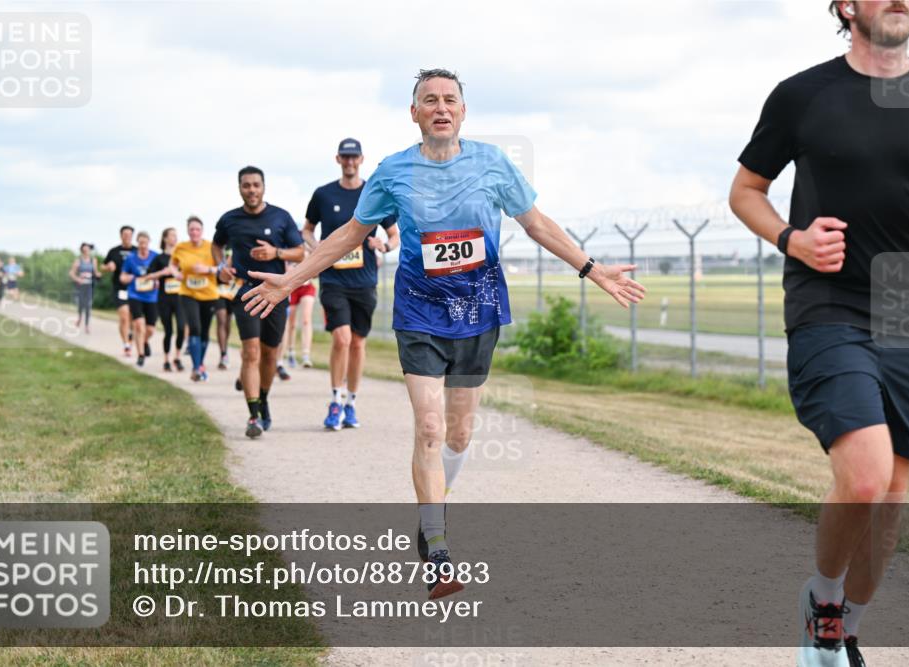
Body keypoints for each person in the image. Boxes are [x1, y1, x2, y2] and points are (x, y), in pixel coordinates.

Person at [243, 69, 644, 598]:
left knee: (458, 435)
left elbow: (538, 225)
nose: (440, 107)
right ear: (414, 113)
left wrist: (593, 270)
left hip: (478, 314)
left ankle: (432, 508)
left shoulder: (492, 164)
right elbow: (348, 235)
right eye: (428, 100)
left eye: (449, 99)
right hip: (419, 315)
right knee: (430, 429)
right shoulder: (392, 172)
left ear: (462, 111)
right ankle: (437, 548)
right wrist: (292, 279)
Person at [729, 3, 909, 665]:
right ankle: (822, 599)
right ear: (847, 5)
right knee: (869, 476)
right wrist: (792, 238)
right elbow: (745, 191)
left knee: (894, 496)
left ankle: (845, 627)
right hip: (829, 297)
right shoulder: (803, 95)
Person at [303, 138, 400, 430]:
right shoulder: (323, 195)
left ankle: (352, 403)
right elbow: (306, 230)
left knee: (358, 343)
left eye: (353, 157)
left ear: (361, 159)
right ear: (337, 159)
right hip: (333, 279)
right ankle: (335, 400)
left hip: (365, 281)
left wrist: (383, 245)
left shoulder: (375, 193)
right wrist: (318, 246)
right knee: (341, 338)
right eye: (344, 157)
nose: (349, 162)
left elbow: (394, 236)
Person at [213, 166, 305, 438]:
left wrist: (275, 252)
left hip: (275, 292)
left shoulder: (281, 217)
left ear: (263, 187)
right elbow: (216, 245)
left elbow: (300, 253)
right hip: (245, 292)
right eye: (246, 185)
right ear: (239, 188)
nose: (251, 190)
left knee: (269, 354)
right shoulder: (230, 219)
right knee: (250, 352)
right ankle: (253, 415)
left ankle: (263, 398)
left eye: (255, 185)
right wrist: (221, 266)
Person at [173, 216, 220, 381]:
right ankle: (196, 367)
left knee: (205, 331)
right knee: (195, 328)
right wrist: (175, 273)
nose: (194, 232)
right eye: (191, 229)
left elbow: (223, 268)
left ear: (202, 231)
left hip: (209, 294)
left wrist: (207, 269)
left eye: (197, 229)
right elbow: (172, 265)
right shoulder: (180, 247)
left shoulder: (212, 247)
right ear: (187, 231)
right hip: (188, 293)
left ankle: (199, 365)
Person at [120, 231, 167, 367]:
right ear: (137, 243)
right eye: (140, 243)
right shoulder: (131, 258)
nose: (143, 245)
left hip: (152, 296)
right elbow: (122, 276)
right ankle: (141, 354)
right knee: (139, 325)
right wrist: (127, 278)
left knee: (151, 329)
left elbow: (163, 274)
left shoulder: (155, 257)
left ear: (149, 242)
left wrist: (158, 280)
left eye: (145, 243)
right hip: (135, 295)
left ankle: (145, 341)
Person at [153, 228, 185, 372]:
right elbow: (148, 276)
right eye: (172, 235)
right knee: (169, 331)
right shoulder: (159, 258)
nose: (175, 238)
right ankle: (166, 360)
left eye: (176, 235)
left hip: (180, 298)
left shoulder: (182, 257)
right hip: (164, 299)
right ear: (165, 238)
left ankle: (177, 358)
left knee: (181, 328)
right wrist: (162, 272)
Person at [103, 226, 136, 356]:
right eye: (125, 234)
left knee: (133, 318)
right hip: (119, 288)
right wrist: (108, 267)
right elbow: (103, 266)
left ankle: (131, 335)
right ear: (121, 235)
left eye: (129, 234)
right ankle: (126, 345)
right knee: (124, 316)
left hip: (135, 289)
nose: (127, 236)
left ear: (132, 236)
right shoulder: (114, 251)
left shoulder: (136, 251)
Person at [285, 268, 316, 369]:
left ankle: (306, 355)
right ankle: (291, 352)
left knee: (306, 320)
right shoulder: (286, 251)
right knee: (291, 323)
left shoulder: (309, 251)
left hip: (307, 287)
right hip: (291, 287)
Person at [215, 247, 239, 371]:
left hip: (233, 290)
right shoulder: (216, 246)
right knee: (221, 319)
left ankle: (225, 348)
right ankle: (223, 353)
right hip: (218, 290)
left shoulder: (237, 243)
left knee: (228, 322)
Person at [69, 243, 101, 333]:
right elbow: (71, 273)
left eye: (88, 250)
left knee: (88, 306)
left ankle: (87, 325)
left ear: (90, 250)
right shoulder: (78, 261)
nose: (86, 251)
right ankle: (79, 318)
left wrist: (98, 274)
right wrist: (77, 279)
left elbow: (95, 272)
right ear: (82, 251)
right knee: (80, 305)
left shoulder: (93, 260)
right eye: (84, 250)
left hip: (89, 286)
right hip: (80, 286)